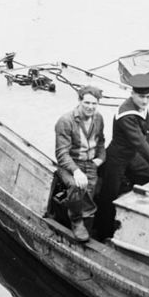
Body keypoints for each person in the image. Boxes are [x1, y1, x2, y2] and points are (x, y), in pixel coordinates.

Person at [96, 74, 149, 240]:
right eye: (141, 97)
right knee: (109, 195)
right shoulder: (126, 114)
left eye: (147, 97)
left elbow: (145, 116)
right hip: (117, 156)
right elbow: (139, 142)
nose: (145, 101)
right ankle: (103, 232)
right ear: (132, 94)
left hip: (131, 155)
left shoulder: (140, 105)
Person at [55, 85, 106, 242]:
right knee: (77, 186)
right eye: (87, 103)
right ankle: (76, 221)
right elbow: (61, 153)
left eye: (94, 104)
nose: (90, 107)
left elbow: (101, 140)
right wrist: (76, 171)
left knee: (89, 195)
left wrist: (101, 158)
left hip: (90, 163)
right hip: (70, 165)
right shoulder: (66, 121)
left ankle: (88, 232)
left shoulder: (98, 118)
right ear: (79, 101)